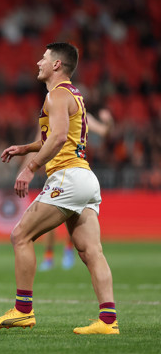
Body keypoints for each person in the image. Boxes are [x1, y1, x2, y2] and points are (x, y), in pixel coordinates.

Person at [0, 42, 119, 335]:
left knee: (20, 236)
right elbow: (60, 136)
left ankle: (23, 311)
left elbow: (58, 138)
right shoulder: (74, 95)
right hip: (85, 177)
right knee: (91, 251)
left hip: (67, 177)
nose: (38, 62)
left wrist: (30, 168)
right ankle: (108, 322)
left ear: (57, 65)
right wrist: (26, 148)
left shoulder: (57, 95)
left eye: (44, 58)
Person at [38, 109, 114, 271]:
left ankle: (66, 250)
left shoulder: (82, 116)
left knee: (69, 216)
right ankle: (50, 255)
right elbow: (40, 142)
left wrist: (108, 122)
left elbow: (104, 132)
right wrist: (28, 167)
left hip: (74, 171)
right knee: (52, 218)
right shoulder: (51, 115)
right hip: (56, 172)